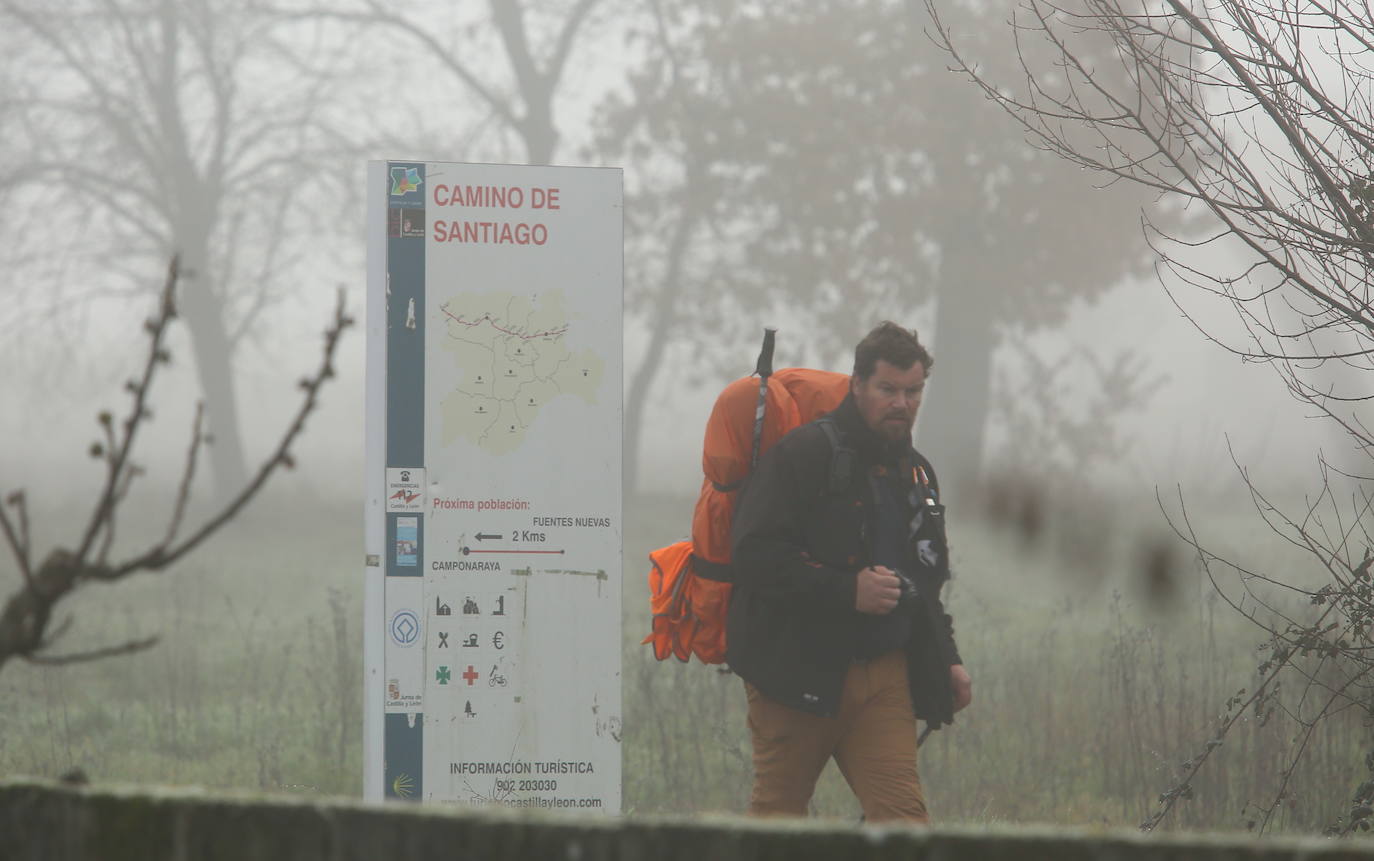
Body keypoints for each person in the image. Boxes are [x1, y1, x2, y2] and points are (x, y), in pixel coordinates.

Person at [726, 321, 972, 823]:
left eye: (913, 391)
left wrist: (947, 659)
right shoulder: (802, 455)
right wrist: (847, 590)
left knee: (904, 823)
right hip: (796, 672)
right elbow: (753, 555)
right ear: (857, 383)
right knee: (777, 821)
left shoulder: (916, 472)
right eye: (888, 389)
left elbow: (925, 581)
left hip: (884, 678)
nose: (901, 403)